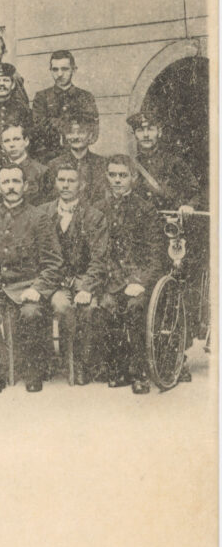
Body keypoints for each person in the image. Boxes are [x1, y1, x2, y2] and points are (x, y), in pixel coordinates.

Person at [0, 164, 63, 393]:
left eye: (16, 182)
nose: (11, 187)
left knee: (31, 312)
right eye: (6, 182)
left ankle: (33, 372)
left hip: (28, 286)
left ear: (25, 186)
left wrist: (38, 288)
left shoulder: (39, 217)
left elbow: (53, 262)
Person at [90, 156, 166, 394]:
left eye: (123, 175)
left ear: (133, 177)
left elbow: (156, 256)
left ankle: (140, 371)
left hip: (137, 280)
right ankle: (118, 367)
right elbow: (95, 252)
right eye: (113, 175)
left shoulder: (146, 209)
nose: (117, 180)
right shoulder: (98, 209)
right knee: (106, 305)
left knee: (134, 308)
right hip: (110, 279)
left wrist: (141, 282)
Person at [37, 162, 108, 385]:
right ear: (56, 183)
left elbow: (100, 258)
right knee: (61, 306)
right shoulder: (43, 213)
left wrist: (86, 288)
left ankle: (82, 364)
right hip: (55, 282)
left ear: (82, 185)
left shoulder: (94, 216)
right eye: (61, 180)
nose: (66, 185)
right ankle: (56, 361)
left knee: (89, 309)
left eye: (71, 180)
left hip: (84, 280)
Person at [126, 110, 203, 211]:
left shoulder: (174, 162)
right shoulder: (130, 165)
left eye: (150, 129)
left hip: (169, 220)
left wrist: (190, 206)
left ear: (159, 132)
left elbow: (195, 192)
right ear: (134, 135)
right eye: (140, 130)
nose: (146, 135)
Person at [31, 50, 99, 161]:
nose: (59, 74)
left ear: (74, 70)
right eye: (55, 69)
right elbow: (39, 128)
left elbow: (92, 129)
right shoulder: (42, 97)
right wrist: (71, 125)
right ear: (50, 71)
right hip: (48, 157)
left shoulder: (85, 96)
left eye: (65, 69)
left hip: (78, 155)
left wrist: (54, 122)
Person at [45, 113, 108, 204]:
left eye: (81, 132)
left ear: (90, 135)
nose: (75, 137)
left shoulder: (102, 163)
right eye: (70, 132)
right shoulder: (54, 165)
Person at [0, 62, 33, 159]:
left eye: (6, 80)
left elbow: (30, 139)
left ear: (13, 84)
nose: (1, 84)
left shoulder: (23, 110)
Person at [0, 122, 50, 204]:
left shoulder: (41, 171)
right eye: (7, 141)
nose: (12, 145)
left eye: (16, 139)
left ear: (26, 141)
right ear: (2, 146)